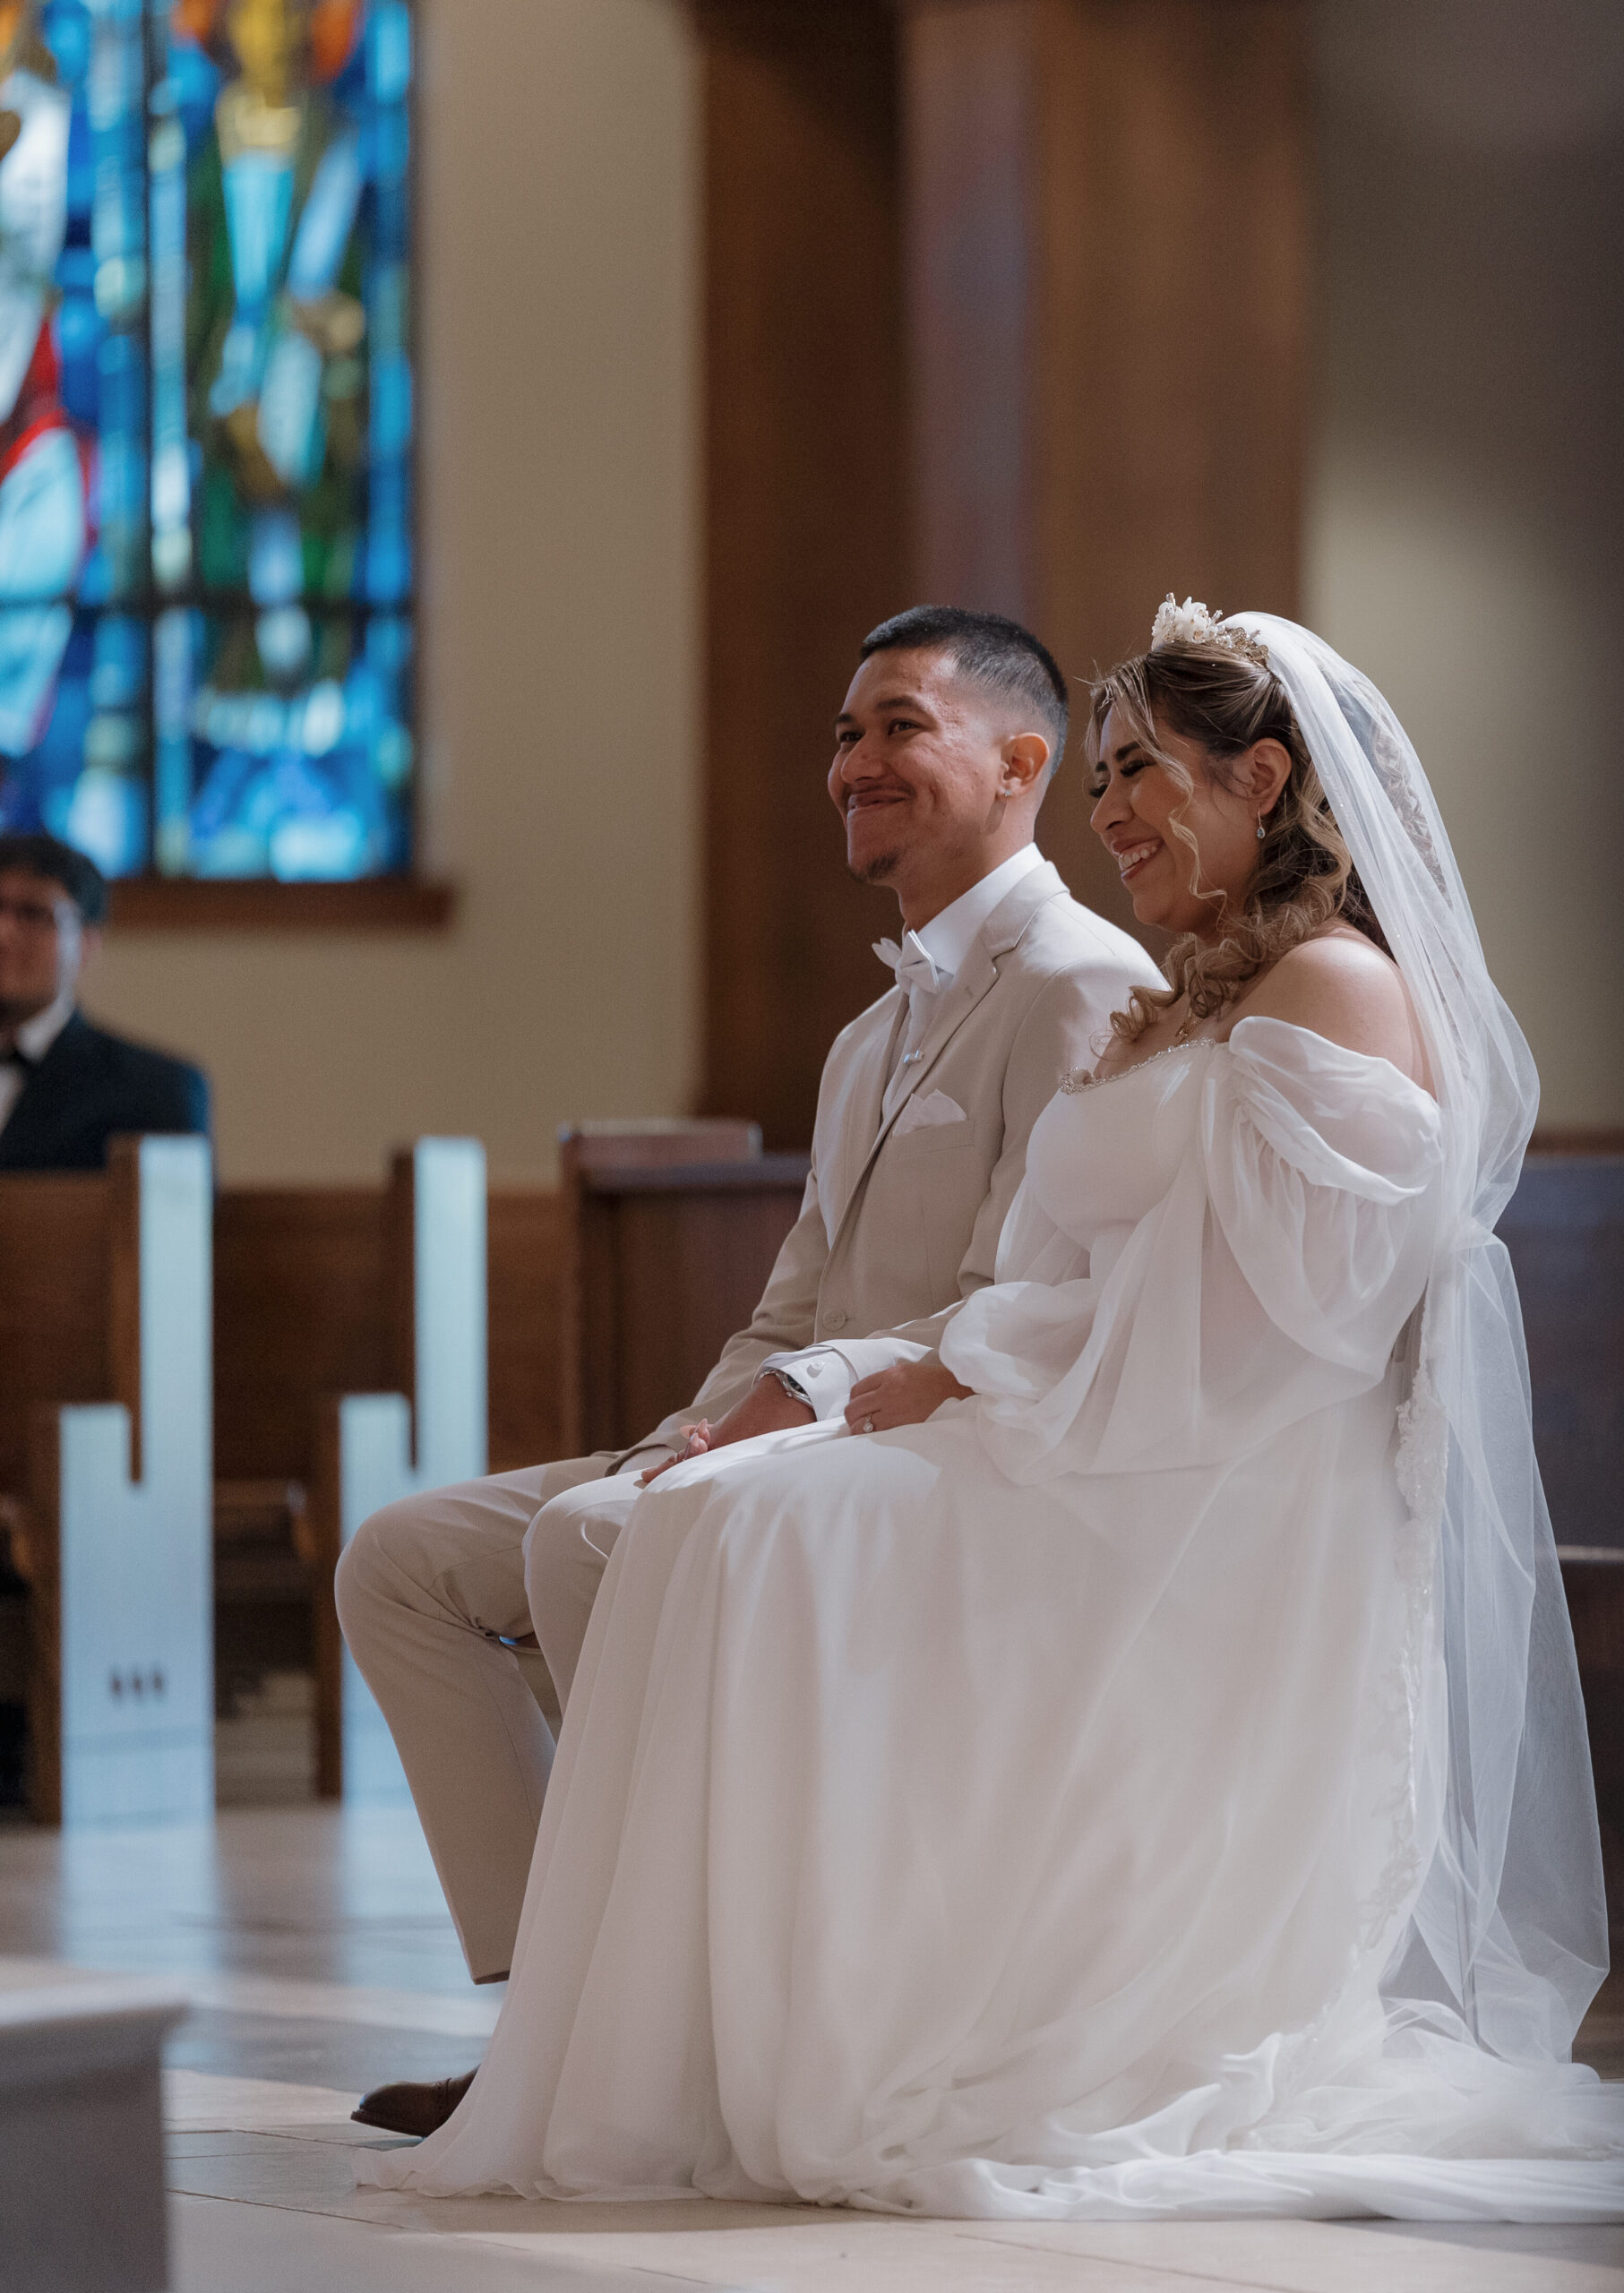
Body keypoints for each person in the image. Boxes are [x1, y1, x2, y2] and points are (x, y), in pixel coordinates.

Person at [360, 603, 1624, 2220]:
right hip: (1086, 1427)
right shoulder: (1207, 990)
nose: (1111, 814)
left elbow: (1273, 1339)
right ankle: (655, 2028)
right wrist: (891, 1381)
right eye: (1103, 780)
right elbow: (1059, 1275)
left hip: (1196, 1487)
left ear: (1266, 779)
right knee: (706, 1518)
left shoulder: (1336, 993)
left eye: (1142, 773)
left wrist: (944, 1375)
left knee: (726, 1536)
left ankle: (742, 2027)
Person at [338, 605, 1159, 2136]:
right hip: (790, 1423)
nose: (854, 762)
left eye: (899, 725)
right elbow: (786, 1308)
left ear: (1022, 760)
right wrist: (690, 1430)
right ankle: (551, 2025)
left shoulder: (1077, 984)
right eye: (845, 735)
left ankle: (681, 2027)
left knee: (593, 1541)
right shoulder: (869, 1034)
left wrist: (768, 1417)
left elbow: (1022, 1301)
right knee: (401, 1561)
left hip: (949, 1445)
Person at [0, 832, 209, 1171]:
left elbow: (176, 1221)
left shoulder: (152, 1088)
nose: (3, 934)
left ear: (86, 943)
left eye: (32, 913)